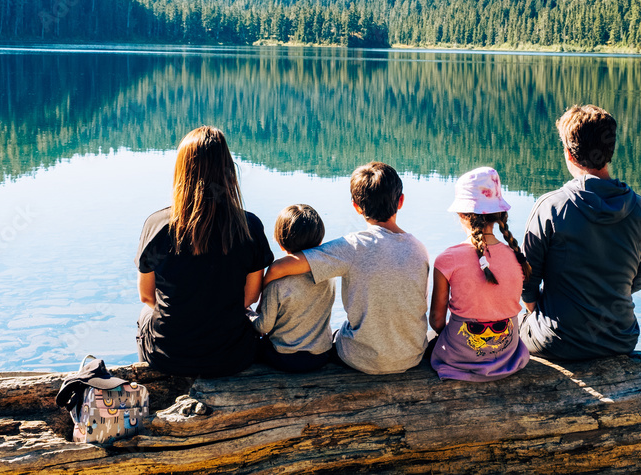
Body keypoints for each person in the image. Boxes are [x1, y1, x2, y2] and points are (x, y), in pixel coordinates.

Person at [263, 162, 430, 375]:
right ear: (401, 201)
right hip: (412, 355)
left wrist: (266, 287)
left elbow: (282, 266)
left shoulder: (351, 247)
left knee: (337, 336)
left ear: (356, 206)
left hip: (361, 359)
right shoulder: (419, 248)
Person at [135, 126, 274, 377]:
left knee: (145, 313)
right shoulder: (249, 227)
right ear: (228, 170)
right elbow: (250, 297)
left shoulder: (158, 225)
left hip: (168, 357)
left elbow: (147, 296)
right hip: (231, 357)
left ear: (182, 170)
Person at [520, 105, 641, 361]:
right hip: (621, 339)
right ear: (610, 152)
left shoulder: (551, 207)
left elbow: (527, 283)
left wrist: (541, 316)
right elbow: (635, 283)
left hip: (557, 343)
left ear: (569, 155)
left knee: (511, 323)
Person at [428, 167, 531, 381]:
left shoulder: (447, 260)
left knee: (430, 338)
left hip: (458, 358)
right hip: (506, 356)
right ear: (499, 215)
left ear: (461, 214)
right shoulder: (517, 258)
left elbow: (437, 321)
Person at [249, 204, 335, 373]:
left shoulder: (277, 283)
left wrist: (249, 314)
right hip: (321, 355)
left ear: (280, 243)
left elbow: (263, 327)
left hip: (285, 358)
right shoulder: (328, 276)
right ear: (319, 241)